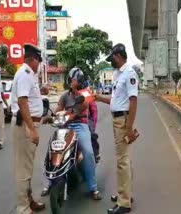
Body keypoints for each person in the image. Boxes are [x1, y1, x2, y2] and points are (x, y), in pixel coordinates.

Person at [41, 67, 102, 200]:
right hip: (65, 126)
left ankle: (93, 187)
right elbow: (58, 111)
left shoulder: (86, 93)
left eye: (77, 80)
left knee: (88, 153)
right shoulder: (64, 96)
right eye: (74, 79)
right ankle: (50, 182)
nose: (75, 82)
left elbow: (84, 105)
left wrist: (72, 113)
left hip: (81, 126)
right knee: (53, 149)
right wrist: (52, 117)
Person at [94, 43, 138, 214]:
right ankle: (125, 194)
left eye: (112, 58)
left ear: (118, 56)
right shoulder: (118, 74)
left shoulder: (129, 74)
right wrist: (98, 97)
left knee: (122, 162)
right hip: (118, 119)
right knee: (124, 160)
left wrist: (129, 127)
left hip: (123, 121)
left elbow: (133, 102)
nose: (111, 61)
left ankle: (124, 203)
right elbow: (115, 101)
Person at [11, 44, 46, 214]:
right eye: (38, 61)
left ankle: (29, 200)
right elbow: (22, 102)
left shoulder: (29, 74)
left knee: (28, 168)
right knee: (23, 170)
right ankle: (23, 208)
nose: (39, 65)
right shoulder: (25, 74)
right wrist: (32, 129)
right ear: (32, 59)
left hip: (29, 122)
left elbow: (30, 99)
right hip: (25, 125)